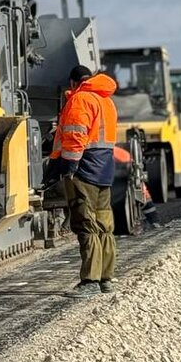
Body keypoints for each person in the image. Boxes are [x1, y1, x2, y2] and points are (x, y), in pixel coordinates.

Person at [50, 64, 119, 296]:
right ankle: (106, 279)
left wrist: (67, 167)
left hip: (84, 170)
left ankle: (90, 281)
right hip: (104, 170)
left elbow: (75, 135)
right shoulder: (106, 101)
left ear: (73, 83)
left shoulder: (80, 100)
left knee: (86, 224)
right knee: (104, 226)